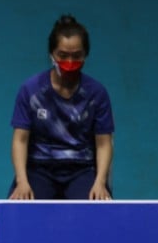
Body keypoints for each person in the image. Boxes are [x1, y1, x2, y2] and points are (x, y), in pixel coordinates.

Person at [8, 14, 114, 200]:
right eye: (63, 56)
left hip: (81, 170)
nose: (70, 62)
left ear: (85, 55)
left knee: (96, 213)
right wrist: (22, 181)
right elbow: (20, 140)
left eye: (77, 56)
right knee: (20, 210)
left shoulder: (96, 94)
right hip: (39, 168)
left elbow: (104, 143)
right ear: (52, 55)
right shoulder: (31, 90)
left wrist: (100, 182)